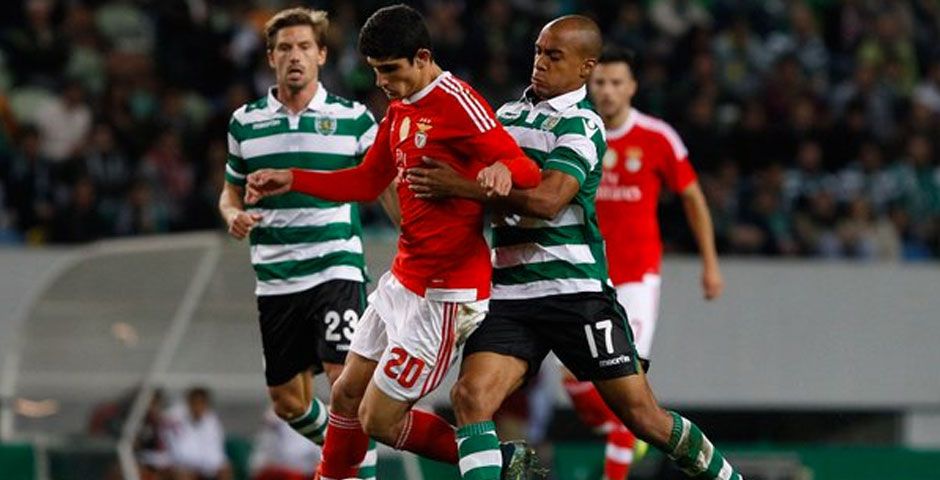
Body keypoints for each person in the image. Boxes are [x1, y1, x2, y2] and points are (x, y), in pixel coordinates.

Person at [406, 16, 744, 480]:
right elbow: (472, 183)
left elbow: (548, 200)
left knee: (642, 417)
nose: (540, 64)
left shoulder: (584, 125)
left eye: (554, 56)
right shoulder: (504, 116)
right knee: (470, 397)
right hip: (509, 294)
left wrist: (466, 187)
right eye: (538, 52)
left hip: (576, 293)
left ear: (584, 68)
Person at [244, 5, 541, 480]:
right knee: (343, 394)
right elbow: (366, 182)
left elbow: (526, 170)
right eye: (376, 71)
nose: (382, 81)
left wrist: (503, 169)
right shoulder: (402, 106)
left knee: (378, 418)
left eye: (390, 70)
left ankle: (502, 463)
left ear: (422, 57)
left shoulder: (457, 101)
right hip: (401, 283)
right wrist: (292, 178)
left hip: (444, 297)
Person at [217, 8, 388, 479]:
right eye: (286, 48)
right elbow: (230, 190)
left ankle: (357, 469)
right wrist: (234, 214)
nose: (295, 56)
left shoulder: (353, 118)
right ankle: (350, 454)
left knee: (345, 384)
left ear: (322, 55)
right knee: (288, 402)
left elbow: (383, 181)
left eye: (305, 47)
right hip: (275, 277)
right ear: (271, 57)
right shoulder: (245, 123)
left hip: (335, 266)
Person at [554, 46, 725, 480]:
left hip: (636, 279)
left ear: (632, 87)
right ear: (588, 85)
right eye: (600, 83)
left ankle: (623, 445)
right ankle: (627, 433)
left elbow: (693, 198)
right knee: (575, 383)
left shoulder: (657, 137)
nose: (607, 92)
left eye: (616, 83)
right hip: (584, 276)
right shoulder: (574, 131)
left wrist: (710, 264)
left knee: (625, 383)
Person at [163, 387, 232, 480]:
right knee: (183, 475)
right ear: (189, 403)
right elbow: (179, 451)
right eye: (195, 403)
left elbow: (216, 451)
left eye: (201, 403)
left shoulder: (212, 421)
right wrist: (195, 465)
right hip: (182, 464)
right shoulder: (175, 419)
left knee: (225, 470)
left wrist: (210, 466)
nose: (198, 407)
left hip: (204, 465)